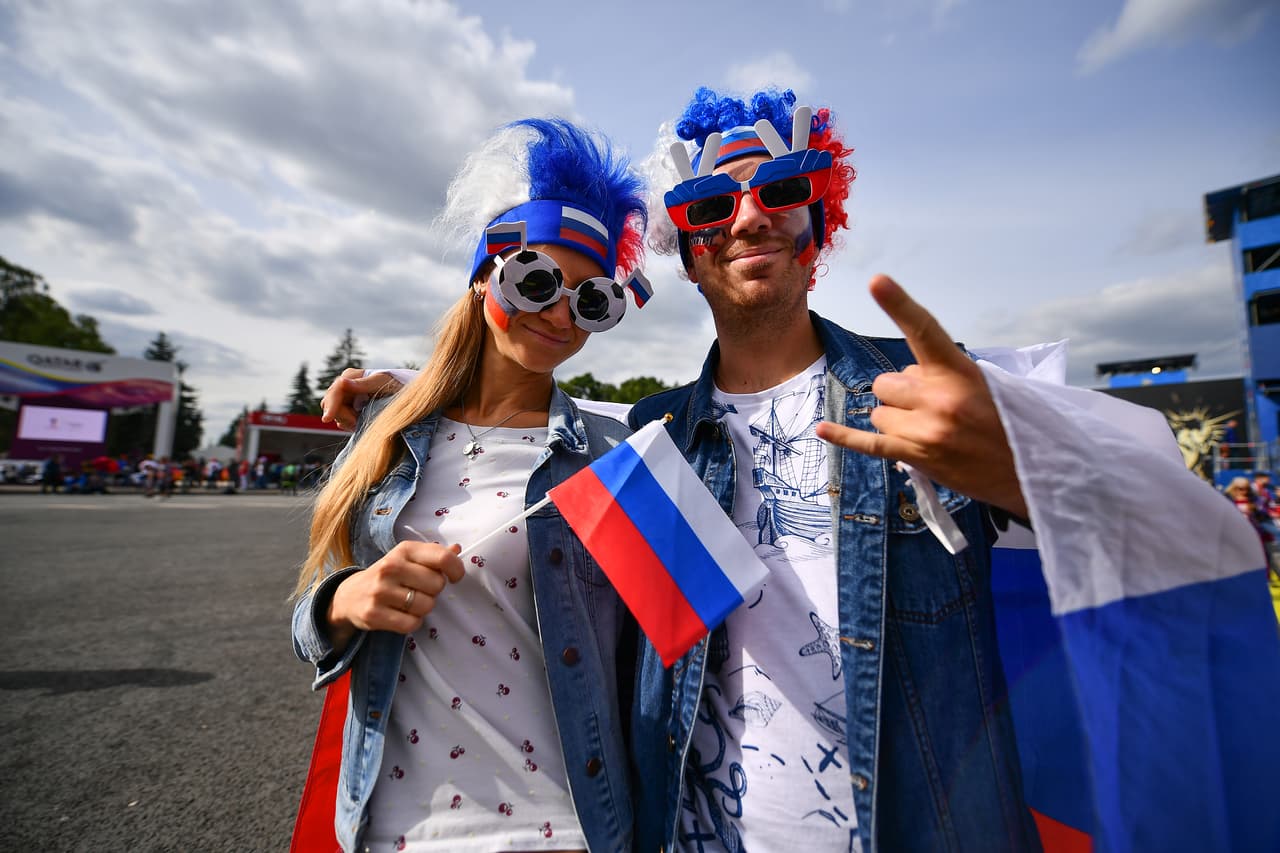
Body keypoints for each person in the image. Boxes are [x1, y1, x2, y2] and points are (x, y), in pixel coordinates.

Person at [323, 88, 1280, 852]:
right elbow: (534, 420)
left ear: (817, 225)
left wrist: (1031, 464)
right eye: (708, 206)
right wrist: (411, 389)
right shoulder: (651, 442)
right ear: (687, 256)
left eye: (779, 190)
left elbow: (1182, 523)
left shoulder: (938, 400)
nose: (746, 218)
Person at [292, 117, 649, 853]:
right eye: (536, 279)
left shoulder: (614, 455)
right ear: (485, 278)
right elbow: (307, 622)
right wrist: (343, 601)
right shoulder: (386, 436)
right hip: (391, 826)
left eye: (590, 301)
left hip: (560, 829)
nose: (559, 313)